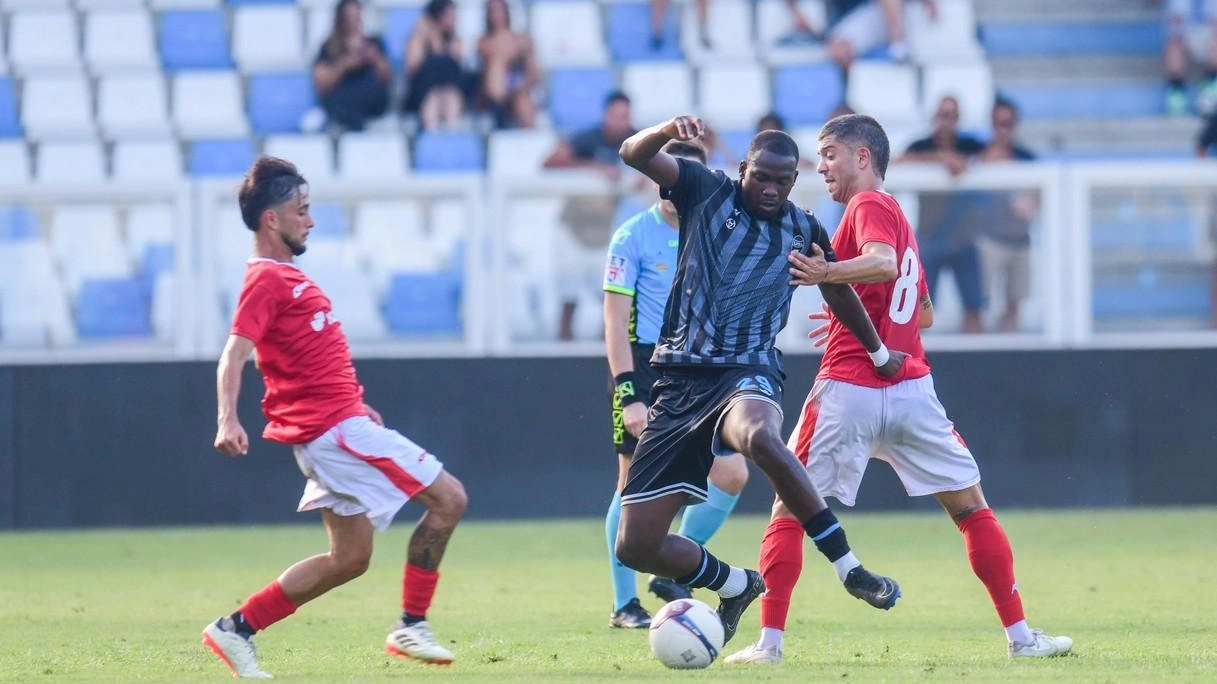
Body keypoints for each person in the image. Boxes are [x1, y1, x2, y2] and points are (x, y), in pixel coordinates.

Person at [724, 113, 1073, 664]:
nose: (822, 166)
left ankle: (769, 645)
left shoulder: (867, 206)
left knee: (788, 510)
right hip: (911, 390)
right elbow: (925, 313)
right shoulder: (897, 218)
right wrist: (855, 309)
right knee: (971, 509)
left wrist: (828, 276)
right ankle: (1022, 637)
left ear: (863, 158)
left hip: (850, 388)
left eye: (829, 153)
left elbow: (882, 266)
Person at [615, 115, 906, 646]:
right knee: (635, 546)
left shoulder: (803, 228)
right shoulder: (704, 190)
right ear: (744, 169)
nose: (771, 190)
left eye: (783, 181)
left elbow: (837, 290)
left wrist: (879, 351)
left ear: (795, 182)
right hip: (679, 383)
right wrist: (665, 131)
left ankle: (848, 566)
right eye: (761, 178)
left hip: (748, 370)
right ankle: (735, 584)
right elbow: (633, 153)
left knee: (758, 436)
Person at [201, 157, 469, 678]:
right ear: (271, 220)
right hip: (335, 433)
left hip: (337, 423)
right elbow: (235, 353)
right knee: (449, 499)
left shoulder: (286, 277)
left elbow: (298, 356)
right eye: (301, 211)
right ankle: (411, 624)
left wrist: (352, 400)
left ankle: (236, 628)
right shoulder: (265, 280)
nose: (311, 220)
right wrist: (226, 419)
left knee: (349, 558)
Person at [602, 140, 750, 628]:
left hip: (697, 367)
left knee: (731, 474)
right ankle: (626, 605)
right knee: (631, 487)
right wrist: (628, 392)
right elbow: (614, 320)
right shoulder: (631, 236)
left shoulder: (713, 233)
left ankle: (674, 565)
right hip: (646, 367)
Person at [545, 92, 638, 340]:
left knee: (612, 300)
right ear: (605, 115)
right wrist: (596, 169)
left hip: (606, 231)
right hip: (572, 228)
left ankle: (605, 356)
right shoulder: (587, 139)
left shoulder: (636, 142)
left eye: (624, 116)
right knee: (569, 298)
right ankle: (563, 354)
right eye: (615, 115)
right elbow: (549, 162)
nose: (620, 122)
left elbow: (660, 167)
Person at [898, 95, 986, 333]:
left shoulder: (970, 146)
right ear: (934, 118)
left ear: (958, 119)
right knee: (919, 307)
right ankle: (915, 361)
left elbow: (997, 157)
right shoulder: (921, 146)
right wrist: (941, 159)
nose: (946, 121)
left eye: (952, 116)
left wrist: (967, 162)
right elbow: (896, 163)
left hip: (963, 237)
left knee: (973, 306)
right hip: (929, 238)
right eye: (942, 115)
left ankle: (977, 356)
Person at [976, 97, 1037, 332]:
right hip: (989, 240)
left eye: (1007, 123)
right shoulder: (979, 156)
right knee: (979, 303)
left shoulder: (1026, 158)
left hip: (1020, 241)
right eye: (998, 123)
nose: (1003, 130)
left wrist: (1030, 201)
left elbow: (1037, 195)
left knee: (1015, 303)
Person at [311, 0, 391, 132]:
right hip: (342, 103)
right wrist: (345, 65)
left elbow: (387, 77)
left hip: (370, 100)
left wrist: (374, 57)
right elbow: (321, 84)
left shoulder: (374, 43)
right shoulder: (329, 47)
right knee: (349, 100)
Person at [782, 0, 937, 68]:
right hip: (849, 20)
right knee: (839, 50)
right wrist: (797, 13)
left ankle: (900, 48)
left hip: (886, 13)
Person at [477, 0, 540, 129]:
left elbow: (534, 74)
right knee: (497, 64)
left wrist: (521, 87)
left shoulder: (523, 38)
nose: (496, 16)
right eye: (492, 12)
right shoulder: (483, 41)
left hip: (519, 88)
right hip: (492, 92)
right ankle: (498, 109)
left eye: (499, 11)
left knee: (523, 103)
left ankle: (530, 139)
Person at [405, 0, 465, 131]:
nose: (453, 20)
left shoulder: (454, 39)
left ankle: (450, 137)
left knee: (451, 97)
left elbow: (455, 61)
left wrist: (435, 39)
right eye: (449, 16)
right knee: (432, 100)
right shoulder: (417, 38)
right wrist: (426, 35)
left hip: (449, 89)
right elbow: (412, 68)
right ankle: (432, 138)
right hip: (424, 92)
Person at [1162, 0, 1217, 116]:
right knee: (1175, 34)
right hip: (1187, 33)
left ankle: (1210, 84)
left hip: (1207, 34)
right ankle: (1176, 89)